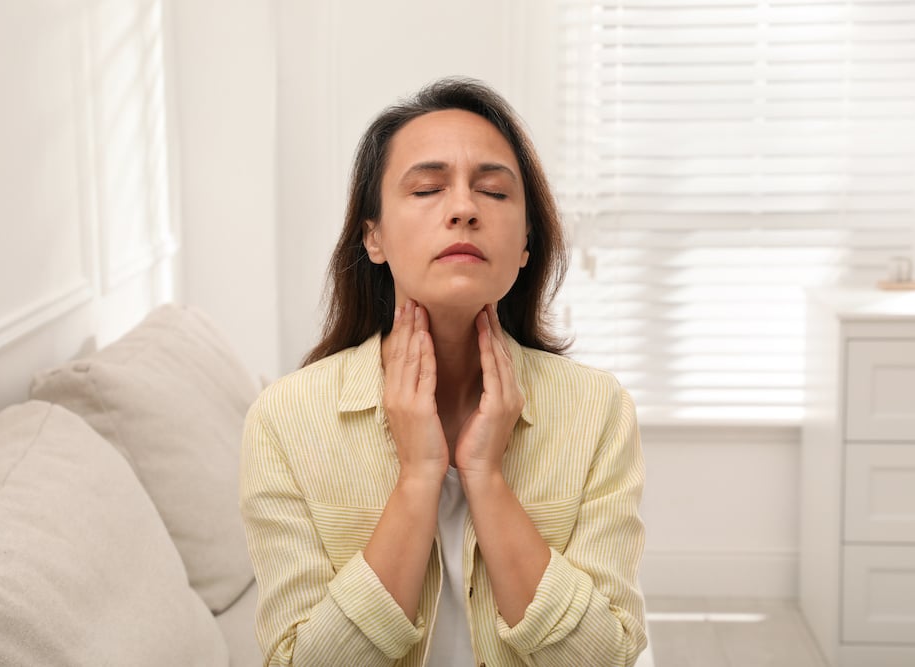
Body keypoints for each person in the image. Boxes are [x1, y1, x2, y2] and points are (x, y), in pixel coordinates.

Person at [240, 77, 647, 667]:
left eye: (494, 192)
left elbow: (605, 657)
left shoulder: (598, 411)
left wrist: (484, 475)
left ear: (527, 243)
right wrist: (418, 476)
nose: (463, 209)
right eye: (428, 188)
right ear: (373, 237)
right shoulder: (285, 419)